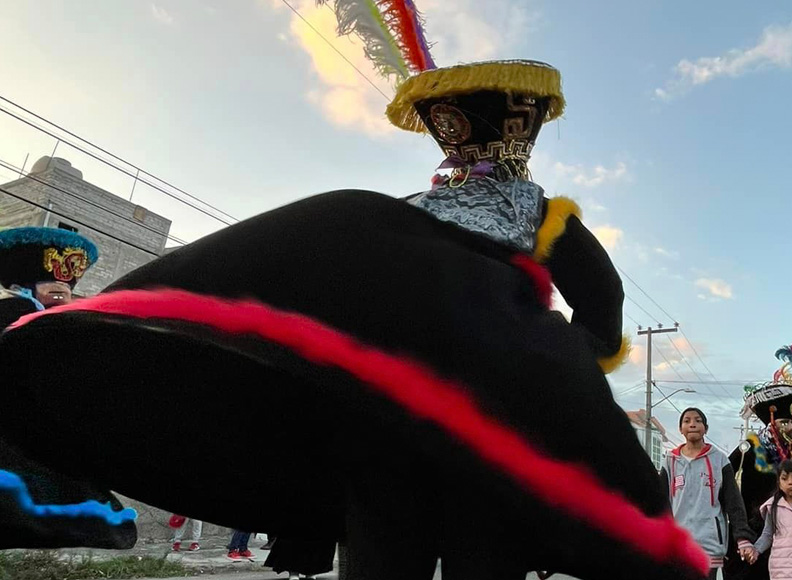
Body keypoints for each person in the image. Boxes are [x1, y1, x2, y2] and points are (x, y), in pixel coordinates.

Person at [0, 8, 708, 580]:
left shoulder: (453, 217)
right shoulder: (412, 218)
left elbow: (601, 311)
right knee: (425, 537)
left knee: (428, 539)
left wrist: (537, 358)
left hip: (428, 419)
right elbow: (601, 315)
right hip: (421, 420)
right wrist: (542, 360)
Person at [0, 227, 137, 550]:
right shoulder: (17, 313)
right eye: (54, 290)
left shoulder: (52, 321)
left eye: (66, 291)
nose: (62, 296)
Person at [725, 339, 792, 580]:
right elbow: (725, 476)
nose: (789, 427)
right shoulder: (750, 446)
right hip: (751, 528)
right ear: (771, 419)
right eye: (784, 422)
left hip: (785, 532)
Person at [662, 408, 755, 580]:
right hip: (678, 546)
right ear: (680, 429)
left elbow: (733, 502)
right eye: (687, 421)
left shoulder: (719, 460)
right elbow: (660, 503)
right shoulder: (670, 461)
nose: (692, 424)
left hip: (709, 545)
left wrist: (742, 537)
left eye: (698, 421)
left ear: (706, 428)